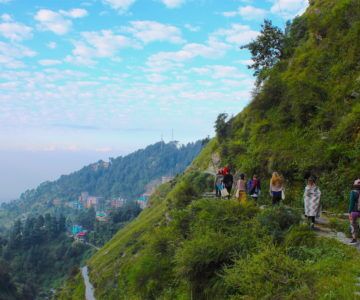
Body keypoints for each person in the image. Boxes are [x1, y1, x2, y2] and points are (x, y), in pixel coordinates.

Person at [348, 179, 360, 244]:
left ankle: (354, 239)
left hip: (354, 211)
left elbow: (351, 203)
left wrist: (349, 212)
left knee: (352, 224)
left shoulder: (353, 192)